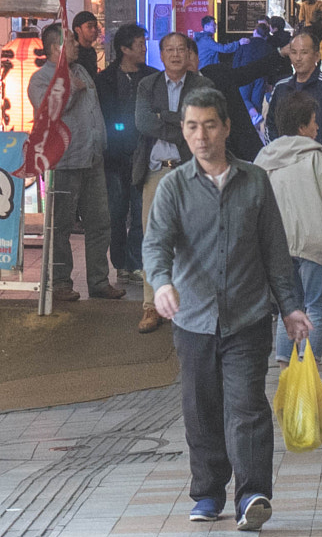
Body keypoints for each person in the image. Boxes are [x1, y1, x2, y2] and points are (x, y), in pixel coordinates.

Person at [144, 88, 311, 531]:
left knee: (247, 407)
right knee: (200, 409)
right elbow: (156, 245)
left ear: (227, 127)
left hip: (248, 316)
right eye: (192, 126)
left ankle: (252, 493)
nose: (201, 136)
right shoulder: (173, 187)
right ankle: (207, 492)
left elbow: (275, 251)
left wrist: (291, 308)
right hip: (193, 319)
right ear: (183, 131)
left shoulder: (254, 181)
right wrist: (161, 284)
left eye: (210, 125)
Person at [28, 22, 122, 302]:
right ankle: (59, 283)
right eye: (70, 42)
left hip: (92, 158)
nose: (76, 46)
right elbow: (49, 110)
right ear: (56, 48)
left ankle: (99, 281)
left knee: (100, 223)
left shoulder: (80, 70)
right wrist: (71, 88)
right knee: (60, 227)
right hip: (63, 161)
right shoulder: (41, 78)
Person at [257, 91, 322, 395]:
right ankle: (310, 378)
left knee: (288, 308)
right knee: (317, 309)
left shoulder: (264, 159)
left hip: (277, 245)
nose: (318, 128)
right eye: (315, 122)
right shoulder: (316, 156)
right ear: (304, 127)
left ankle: (286, 376)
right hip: (314, 242)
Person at [135, 31, 217, 332]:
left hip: (191, 171)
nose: (175, 54)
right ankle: (151, 305)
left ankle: (190, 304)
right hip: (156, 171)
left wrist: (164, 118)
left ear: (188, 53)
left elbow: (205, 125)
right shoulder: (148, 85)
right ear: (161, 53)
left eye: (180, 49)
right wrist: (182, 124)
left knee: (195, 238)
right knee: (153, 240)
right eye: (168, 49)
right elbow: (143, 123)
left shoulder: (202, 85)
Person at [97, 23, 154, 287]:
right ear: (124, 49)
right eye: (140, 44)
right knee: (117, 213)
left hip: (145, 154)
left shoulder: (153, 77)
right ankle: (120, 264)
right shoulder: (105, 79)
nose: (144, 48)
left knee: (142, 213)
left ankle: (135, 263)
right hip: (114, 157)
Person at [260, 28, 322, 143]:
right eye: (294, 52)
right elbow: (270, 125)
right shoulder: (281, 87)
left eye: (304, 52)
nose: (298, 58)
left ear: (317, 56)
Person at [71, 9, 104, 82]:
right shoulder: (73, 52)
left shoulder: (92, 51)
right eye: (89, 27)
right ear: (78, 30)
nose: (94, 30)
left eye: (95, 26)